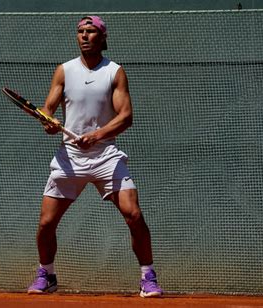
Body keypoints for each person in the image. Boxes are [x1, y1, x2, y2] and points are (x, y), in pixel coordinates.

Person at [27, 16, 163, 298]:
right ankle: (46, 273)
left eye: (90, 32)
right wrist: (49, 122)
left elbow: (126, 117)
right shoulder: (64, 71)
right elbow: (48, 110)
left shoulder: (114, 72)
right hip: (70, 158)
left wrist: (97, 135)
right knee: (46, 223)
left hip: (106, 157)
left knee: (134, 215)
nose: (84, 36)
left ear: (102, 37)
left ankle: (147, 276)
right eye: (80, 32)